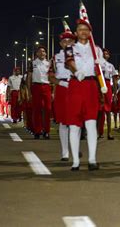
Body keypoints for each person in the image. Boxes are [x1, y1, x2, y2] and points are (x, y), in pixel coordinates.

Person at [65, 17, 105, 171]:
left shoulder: (96, 50)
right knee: (74, 125)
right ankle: (75, 161)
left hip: (90, 86)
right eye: (80, 29)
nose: (83, 32)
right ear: (76, 32)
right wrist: (77, 71)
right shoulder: (70, 48)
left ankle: (92, 159)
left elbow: (101, 68)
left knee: (90, 123)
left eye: (86, 30)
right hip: (76, 85)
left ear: (90, 33)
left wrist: (102, 67)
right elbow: (69, 62)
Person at [49, 26, 76, 162]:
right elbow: (50, 77)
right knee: (63, 122)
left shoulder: (79, 56)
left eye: (70, 41)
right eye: (65, 41)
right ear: (61, 44)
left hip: (76, 87)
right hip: (62, 88)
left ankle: (74, 149)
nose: (67, 44)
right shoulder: (55, 58)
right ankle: (65, 151)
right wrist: (61, 83)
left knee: (75, 121)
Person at [28, 46, 52, 139]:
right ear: (37, 53)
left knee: (48, 109)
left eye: (44, 51)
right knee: (36, 110)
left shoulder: (49, 63)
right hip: (36, 87)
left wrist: (53, 91)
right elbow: (29, 77)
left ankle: (46, 131)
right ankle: (37, 131)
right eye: (40, 51)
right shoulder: (33, 63)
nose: (42, 53)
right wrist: (29, 91)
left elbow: (52, 77)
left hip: (46, 87)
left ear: (46, 53)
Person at [97, 48, 116, 140]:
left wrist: (115, 93)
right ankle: (99, 132)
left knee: (108, 111)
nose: (106, 55)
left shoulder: (110, 66)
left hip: (108, 85)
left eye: (107, 53)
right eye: (104, 53)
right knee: (99, 111)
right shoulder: (98, 64)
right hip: (100, 83)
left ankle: (109, 132)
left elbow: (115, 80)